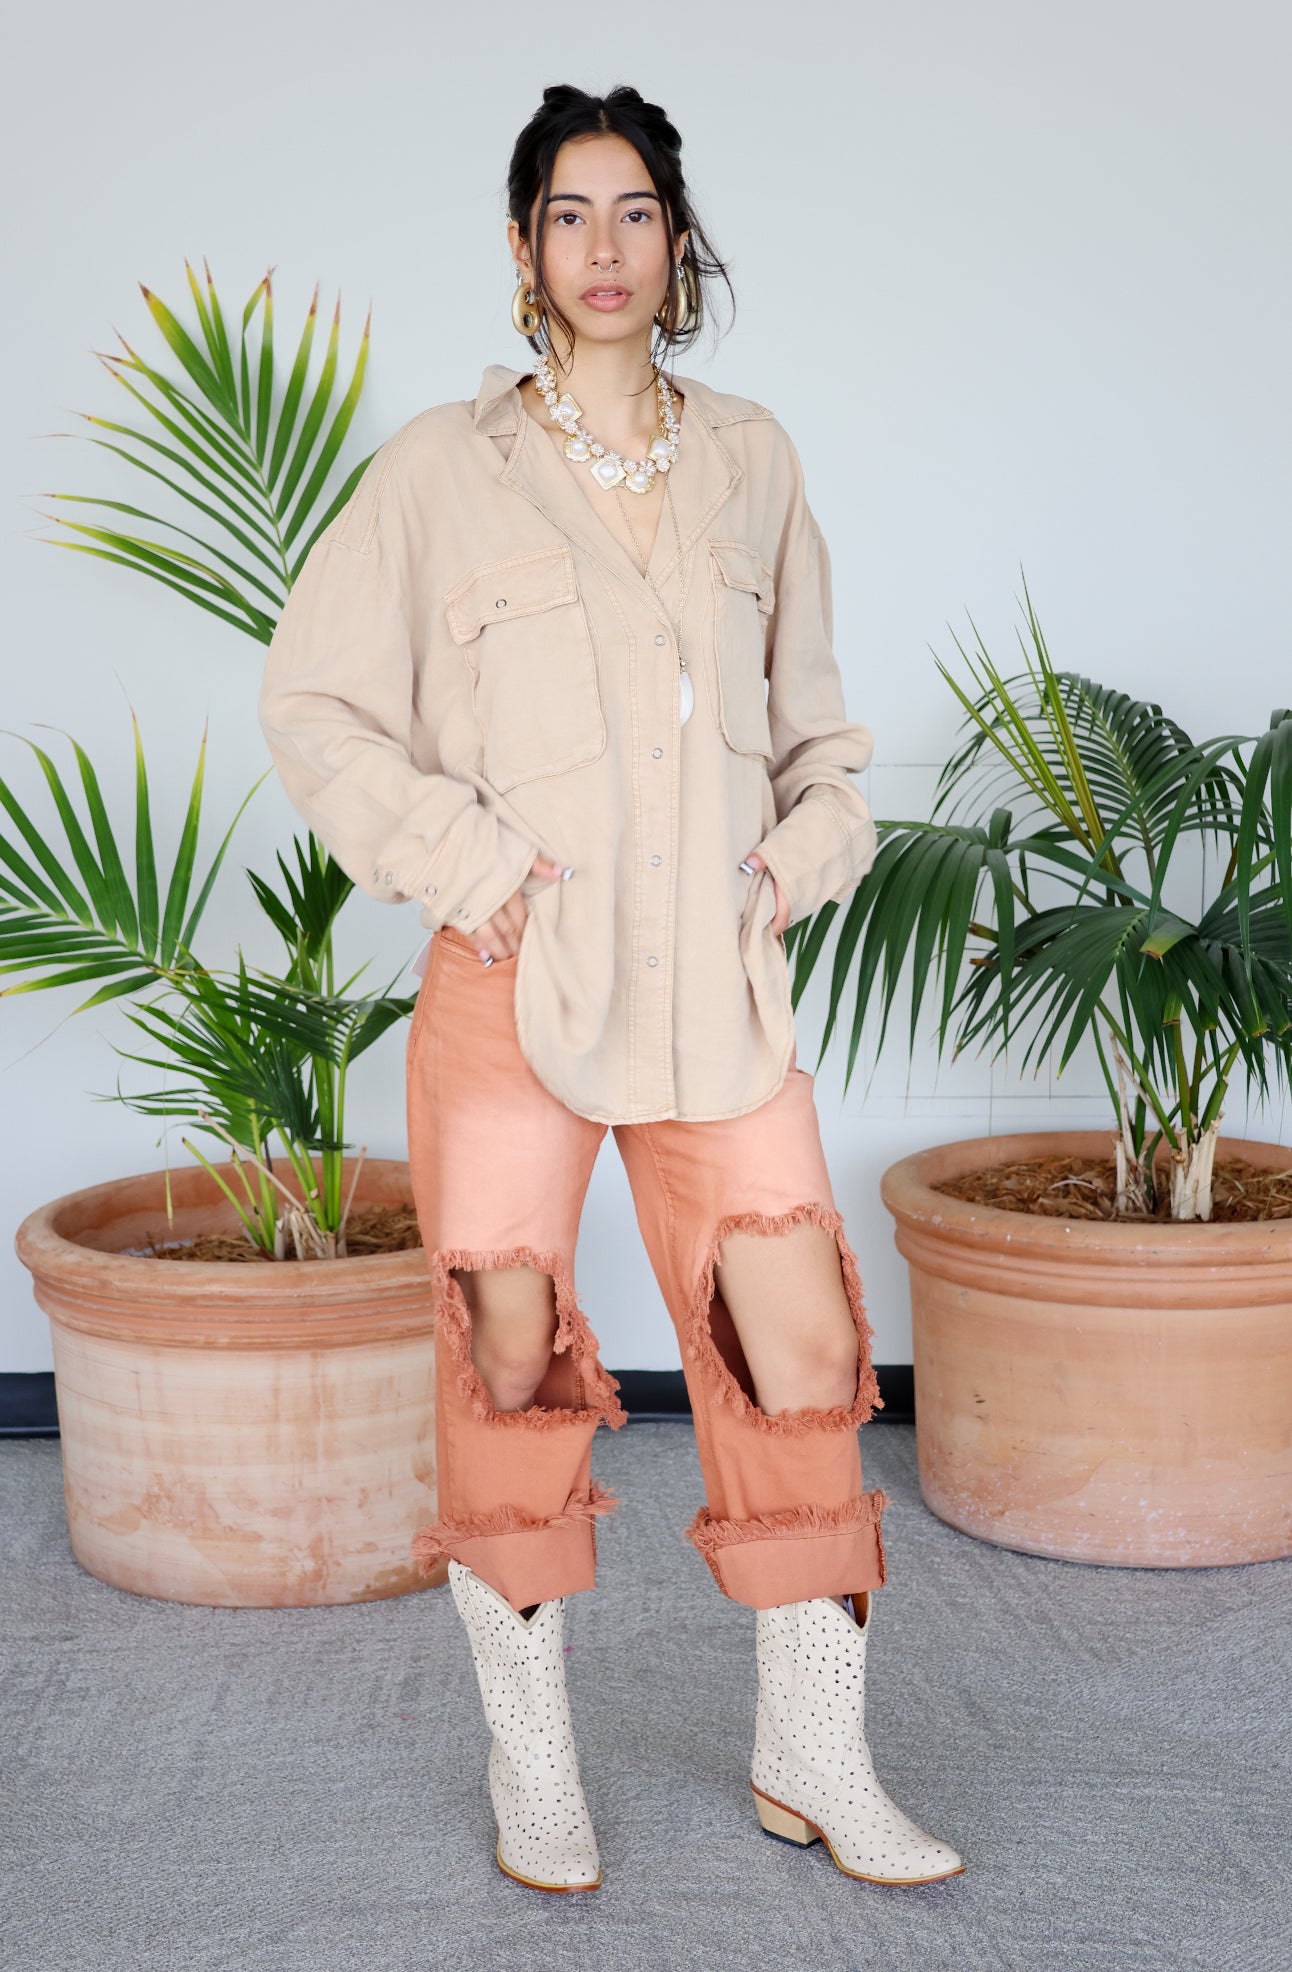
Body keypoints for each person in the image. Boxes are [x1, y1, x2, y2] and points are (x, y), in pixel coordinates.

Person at [257, 81, 965, 1894]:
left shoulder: (755, 459)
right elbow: (316, 708)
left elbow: (826, 743)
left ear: (678, 238)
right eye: (568, 215)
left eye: (635, 211)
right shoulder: (440, 471)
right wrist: (472, 866)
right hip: (516, 997)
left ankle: (815, 1756)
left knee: (802, 1346)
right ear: (520, 249)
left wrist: (791, 866)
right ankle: (535, 1771)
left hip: (715, 1002)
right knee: (507, 1367)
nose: (604, 248)